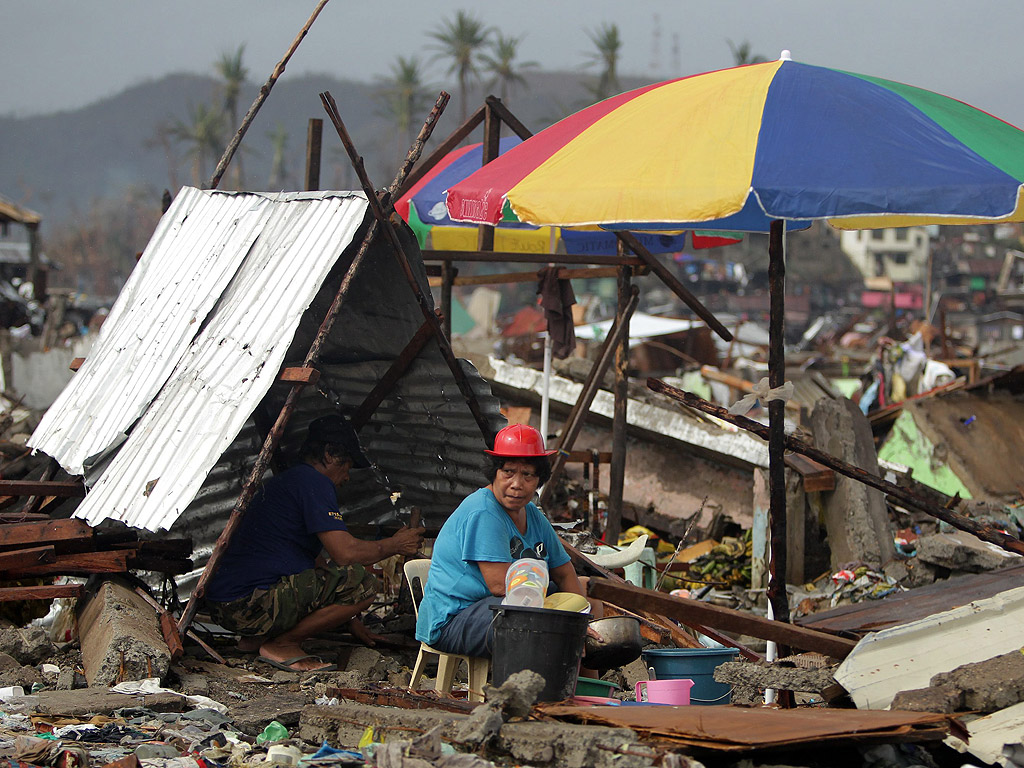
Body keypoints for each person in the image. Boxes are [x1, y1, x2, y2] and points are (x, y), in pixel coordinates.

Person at [206, 414, 424, 672]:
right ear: (330, 454)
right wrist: (395, 544)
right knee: (363, 582)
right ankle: (283, 645)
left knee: (338, 579)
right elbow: (345, 554)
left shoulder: (290, 482)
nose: (347, 477)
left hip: (228, 605)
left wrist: (350, 619)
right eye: (348, 465)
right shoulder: (314, 482)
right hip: (249, 604)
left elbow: (318, 568)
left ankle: (255, 639)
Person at [415, 424, 592, 658]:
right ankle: (533, 693)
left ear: (539, 479)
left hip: (498, 608)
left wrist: (581, 619)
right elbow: (501, 585)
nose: (517, 484)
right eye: (508, 472)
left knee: (589, 604)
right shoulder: (484, 511)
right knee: (542, 624)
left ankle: (585, 691)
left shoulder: (533, 514)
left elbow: (564, 572)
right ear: (495, 473)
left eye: (527, 474)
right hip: (454, 619)